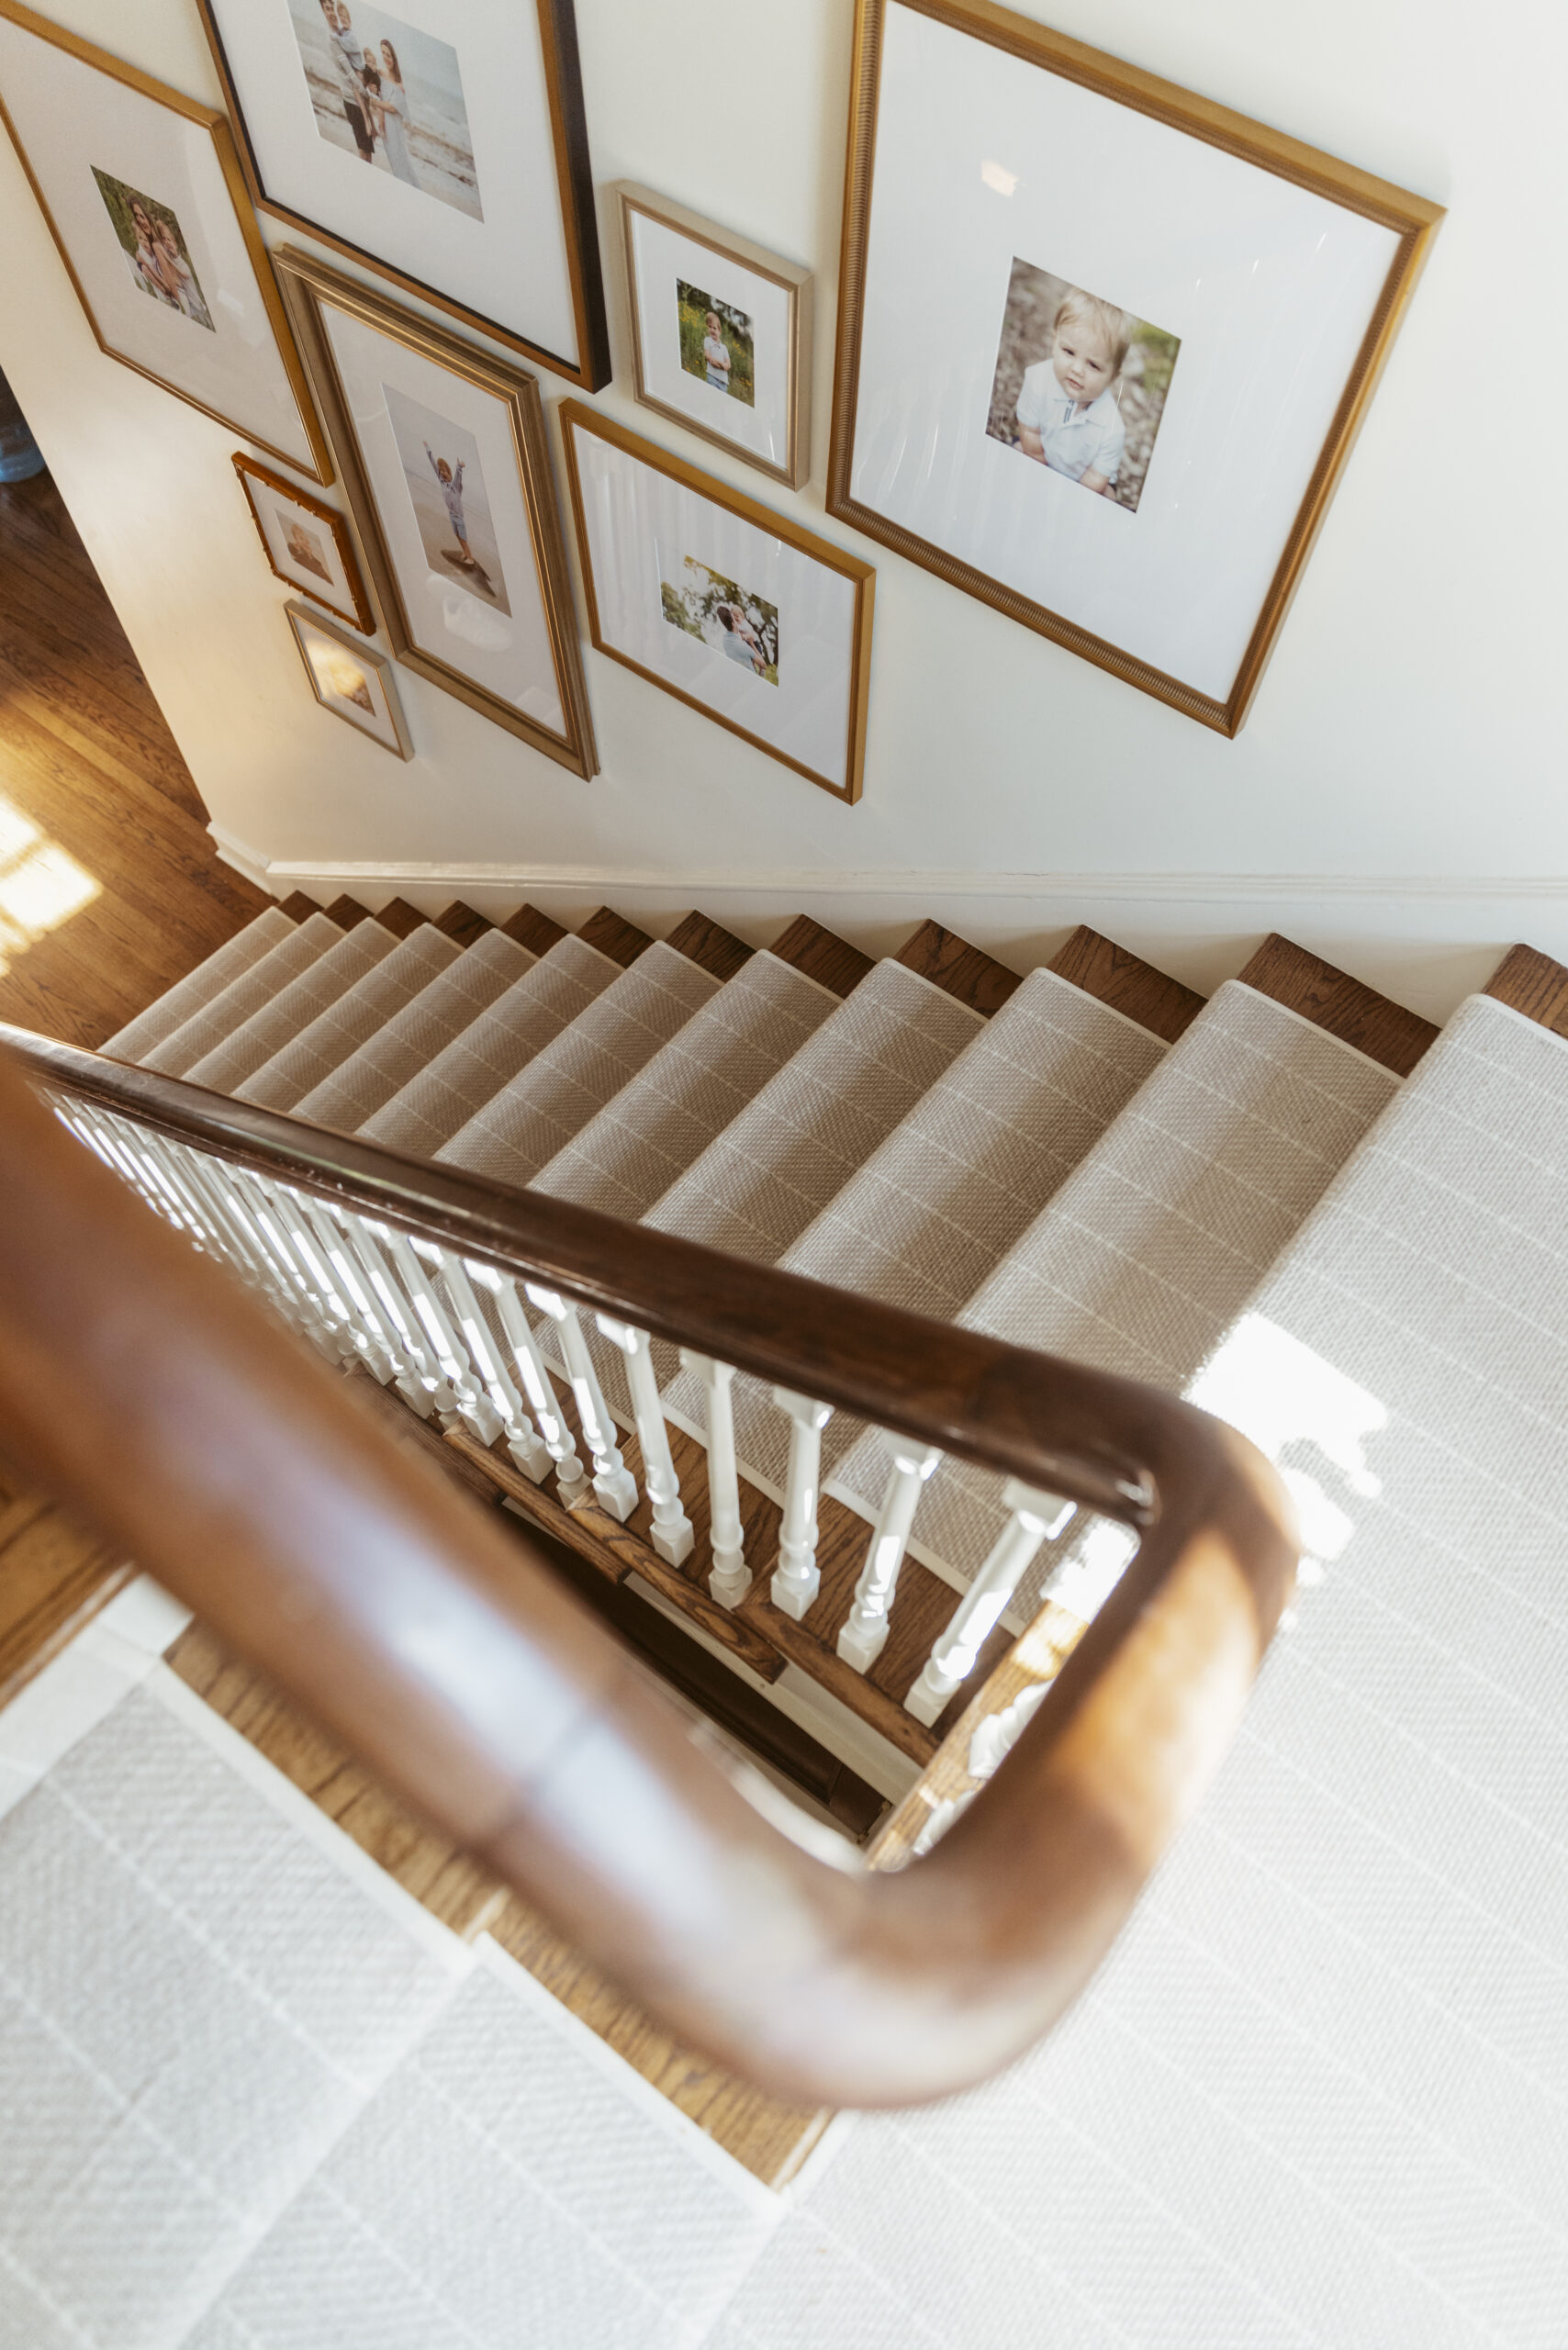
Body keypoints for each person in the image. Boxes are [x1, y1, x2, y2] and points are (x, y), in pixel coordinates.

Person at [1014, 287, 1131, 498]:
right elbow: (1030, 432)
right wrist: (1042, 476)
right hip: (1040, 455)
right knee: (1018, 449)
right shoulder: (1038, 380)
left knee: (1108, 496)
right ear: (1054, 341)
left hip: (1082, 481)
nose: (1077, 369)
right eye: (1069, 352)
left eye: (1093, 365)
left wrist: (1067, 498)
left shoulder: (1113, 429)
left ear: (1113, 376)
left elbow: (1096, 476)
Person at [319, 0, 375, 163]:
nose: (331, 12)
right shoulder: (332, 40)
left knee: (366, 150)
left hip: (357, 98)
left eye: (332, 8)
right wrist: (364, 92)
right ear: (323, 12)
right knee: (364, 152)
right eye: (327, 9)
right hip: (352, 100)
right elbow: (350, 72)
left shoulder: (342, 34)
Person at [367, 39, 420, 188]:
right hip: (385, 127)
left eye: (388, 54)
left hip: (395, 130)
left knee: (402, 163)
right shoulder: (381, 74)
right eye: (383, 53)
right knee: (394, 162)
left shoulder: (399, 86)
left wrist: (375, 102)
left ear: (394, 58)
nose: (385, 57)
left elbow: (392, 108)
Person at [151, 217, 212, 329]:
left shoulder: (182, 264)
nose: (166, 242)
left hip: (196, 303)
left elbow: (184, 274)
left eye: (169, 239)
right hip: (186, 299)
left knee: (197, 305)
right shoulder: (166, 253)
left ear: (174, 242)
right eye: (164, 239)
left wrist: (171, 260)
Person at [124, 196, 177, 308]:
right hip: (150, 267)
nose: (139, 219)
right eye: (136, 215)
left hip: (164, 272)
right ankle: (164, 292)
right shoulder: (141, 233)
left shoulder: (157, 232)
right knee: (143, 267)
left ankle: (167, 291)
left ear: (147, 216)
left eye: (142, 216)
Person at [716, 604, 763, 673]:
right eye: (734, 617)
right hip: (747, 643)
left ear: (743, 617)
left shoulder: (745, 625)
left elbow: (751, 635)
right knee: (751, 659)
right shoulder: (738, 626)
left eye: (737, 616)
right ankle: (754, 667)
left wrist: (745, 637)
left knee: (756, 658)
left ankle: (761, 669)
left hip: (755, 643)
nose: (736, 618)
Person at [700, 310, 732, 395]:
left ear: (719, 331)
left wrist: (719, 363)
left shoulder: (724, 348)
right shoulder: (707, 340)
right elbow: (707, 356)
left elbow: (728, 366)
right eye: (710, 327)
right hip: (712, 377)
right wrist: (723, 365)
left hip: (723, 383)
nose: (712, 330)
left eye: (714, 328)